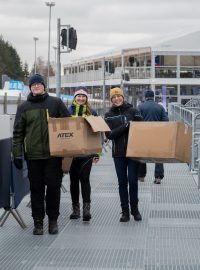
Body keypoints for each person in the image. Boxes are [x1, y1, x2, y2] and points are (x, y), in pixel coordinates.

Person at [12, 73, 70, 235]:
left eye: (39, 83)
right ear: (30, 88)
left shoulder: (55, 103)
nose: (36, 86)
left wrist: (68, 148)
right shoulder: (23, 107)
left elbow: (69, 125)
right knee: (36, 189)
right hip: (33, 156)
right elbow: (18, 132)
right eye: (33, 84)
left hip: (53, 155)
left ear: (44, 86)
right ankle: (38, 222)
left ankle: (53, 220)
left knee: (53, 188)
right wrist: (16, 153)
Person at [105, 87, 143, 222]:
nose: (116, 99)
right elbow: (109, 135)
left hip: (133, 152)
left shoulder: (133, 111)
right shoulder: (108, 115)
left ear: (123, 97)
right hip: (118, 153)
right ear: (111, 100)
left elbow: (143, 129)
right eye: (113, 97)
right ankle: (125, 211)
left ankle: (135, 209)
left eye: (118, 96)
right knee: (122, 182)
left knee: (133, 180)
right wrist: (126, 126)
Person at [68, 86, 99, 221]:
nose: (81, 98)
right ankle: (76, 209)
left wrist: (97, 153)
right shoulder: (68, 111)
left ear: (86, 98)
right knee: (73, 181)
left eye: (83, 96)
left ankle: (87, 210)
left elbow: (98, 133)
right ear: (75, 98)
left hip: (87, 152)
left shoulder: (92, 112)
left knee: (85, 179)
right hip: (71, 152)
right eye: (78, 96)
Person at [137, 89, 169, 184]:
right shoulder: (160, 107)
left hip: (143, 135)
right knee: (158, 156)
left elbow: (136, 121)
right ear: (153, 97)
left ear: (145, 97)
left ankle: (141, 176)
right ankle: (158, 177)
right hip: (157, 135)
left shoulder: (140, 107)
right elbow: (166, 121)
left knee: (142, 155)